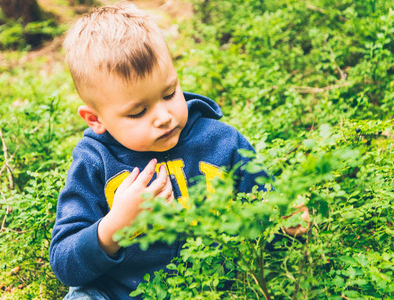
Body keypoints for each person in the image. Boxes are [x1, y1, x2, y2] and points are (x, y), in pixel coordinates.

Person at [49, 2, 309, 299]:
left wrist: (285, 221)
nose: (164, 117)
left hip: (214, 289)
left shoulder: (223, 143)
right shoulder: (94, 161)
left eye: (170, 93)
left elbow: (266, 212)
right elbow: (65, 263)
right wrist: (114, 226)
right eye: (138, 112)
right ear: (96, 119)